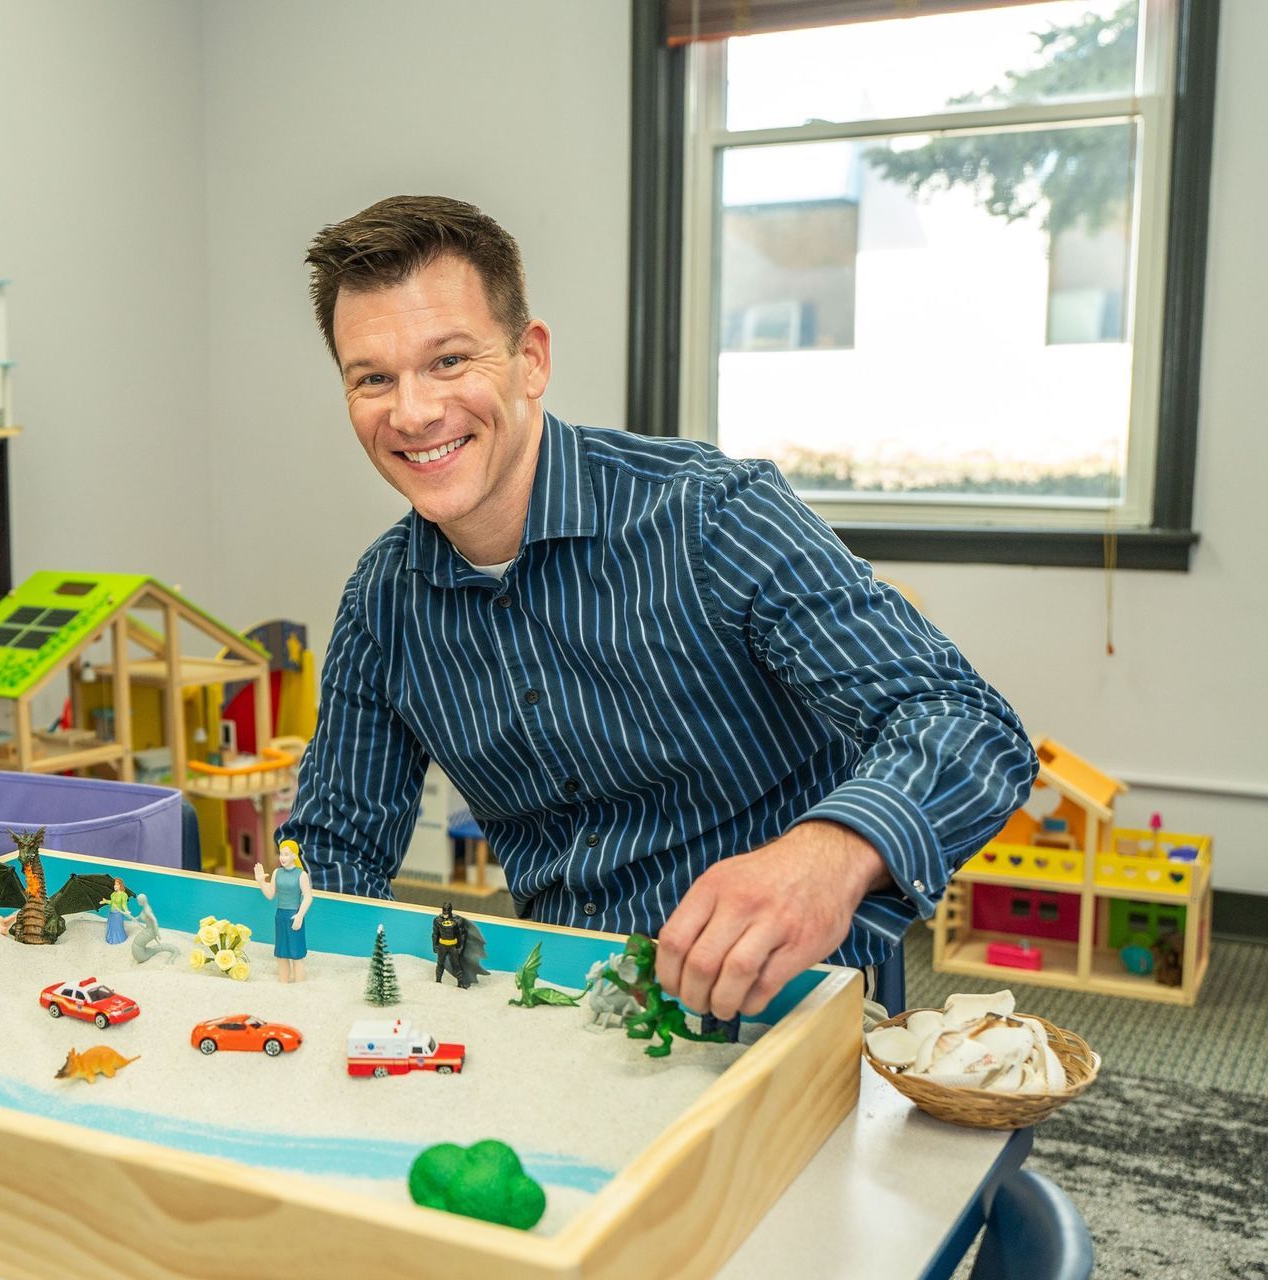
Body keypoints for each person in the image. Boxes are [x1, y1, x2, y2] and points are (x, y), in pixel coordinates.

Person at [279, 195, 1036, 1022]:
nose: (413, 412)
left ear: (530, 360)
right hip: (566, 1006)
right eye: (373, 379)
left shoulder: (712, 515)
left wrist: (829, 855)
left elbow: (965, 720)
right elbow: (337, 850)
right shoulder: (382, 604)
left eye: (450, 361)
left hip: (784, 1000)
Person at [251, 840, 313, 983]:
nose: (282, 857)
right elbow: (270, 894)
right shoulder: (277, 873)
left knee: (296, 955)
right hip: (280, 916)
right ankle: (283, 984)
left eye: (286, 854)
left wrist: (300, 915)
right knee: (281, 954)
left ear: (294, 856)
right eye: (281, 853)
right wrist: (261, 882)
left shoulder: (301, 875)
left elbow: (308, 896)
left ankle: (300, 986)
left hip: (294, 916)